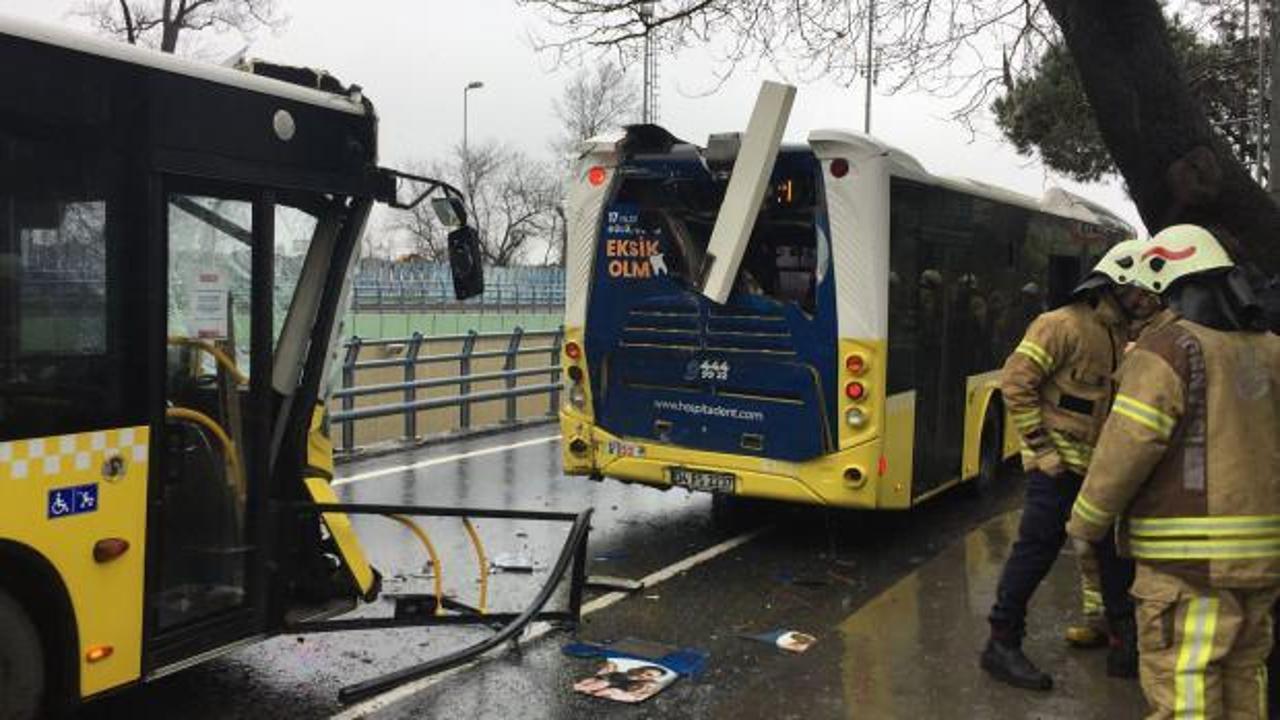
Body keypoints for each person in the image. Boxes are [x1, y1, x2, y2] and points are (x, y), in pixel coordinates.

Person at [1065, 224, 1280, 719]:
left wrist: (1085, 525)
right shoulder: (1270, 349)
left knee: (1185, 680)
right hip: (1261, 561)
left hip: (1187, 567)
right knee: (1245, 678)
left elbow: (1126, 449)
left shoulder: (1169, 350)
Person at [981, 239, 1162, 691]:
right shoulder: (1060, 325)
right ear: (1114, 286)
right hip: (1057, 468)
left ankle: (1123, 641)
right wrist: (1043, 451)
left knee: (1113, 555)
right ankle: (1002, 642)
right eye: (1140, 291)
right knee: (1036, 549)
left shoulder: (1123, 336)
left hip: (1099, 469)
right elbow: (1016, 384)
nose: (1146, 299)